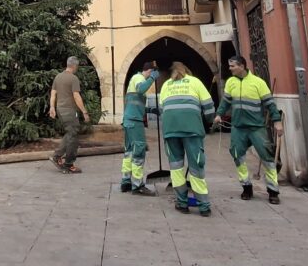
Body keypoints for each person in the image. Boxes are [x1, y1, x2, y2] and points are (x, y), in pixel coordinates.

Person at [214, 55, 284, 205]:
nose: (230, 68)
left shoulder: (258, 83)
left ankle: (273, 190)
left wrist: (277, 121)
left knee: (267, 158)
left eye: (233, 66)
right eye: (230, 65)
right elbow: (225, 101)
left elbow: (270, 104)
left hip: (256, 127)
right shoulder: (230, 82)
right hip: (238, 127)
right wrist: (219, 114)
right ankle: (246, 186)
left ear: (242, 66)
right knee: (237, 156)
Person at [159, 61, 215, 216]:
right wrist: (210, 121)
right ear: (187, 71)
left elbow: (161, 108)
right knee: (196, 166)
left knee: (176, 167)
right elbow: (209, 105)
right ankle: (203, 205)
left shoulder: (166, 85)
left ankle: (182, 203)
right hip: (192, 130)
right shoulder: (195, 82)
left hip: (171, 130)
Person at [120, 61, 159, 195]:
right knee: (139, 150)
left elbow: (135, 103)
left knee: (129, 151)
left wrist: (150, 109)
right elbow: (141, 89)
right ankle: (137, 185)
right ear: (149, 71)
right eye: (151, 73)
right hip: (134, 121)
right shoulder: (139, 78)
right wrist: (153, 78)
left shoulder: (136, 80)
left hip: (129, 119)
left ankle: (125, 182)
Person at [48, 56, 90, 174]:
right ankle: (68, 164)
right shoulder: (73, 78)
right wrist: (84, 111)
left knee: (71, 132)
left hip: (60, 110)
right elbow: (76, 96)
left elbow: (53, 94)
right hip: (70, 111)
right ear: (75, 66)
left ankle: (57, 156)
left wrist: (52, 107)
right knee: (73, 135)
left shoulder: (58, 77)